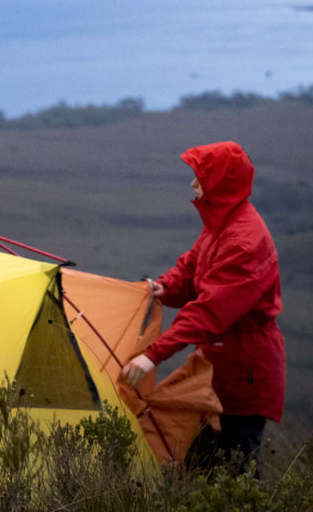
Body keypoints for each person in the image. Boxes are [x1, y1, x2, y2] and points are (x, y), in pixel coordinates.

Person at [121, 141, 285, 470]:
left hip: (244, 377)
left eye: (200, 177)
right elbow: (192, 267)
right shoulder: (222, 222)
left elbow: (209, 311)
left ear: (220, 184)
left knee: (232, 474)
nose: (193, 184)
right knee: (198, 468)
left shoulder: (243, 241)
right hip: (216, 367)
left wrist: (152, 355)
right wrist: (165, 287)